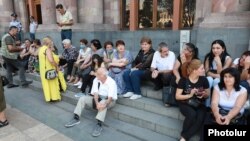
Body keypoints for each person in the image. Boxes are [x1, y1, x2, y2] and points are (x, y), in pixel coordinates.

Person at [64, 67, 117, 137]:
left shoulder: (111, 82)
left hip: (109, 100)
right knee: (82, 98)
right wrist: (97, 103)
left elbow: (110, 98)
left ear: (103, 75)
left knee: (103, 102)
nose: (96, 75)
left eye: (98, 74)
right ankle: (76, 118)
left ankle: (99, 124)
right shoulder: (96, 80)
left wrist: (103, 104)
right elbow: (95, 94)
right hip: (98, 98)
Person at [200, 68, 248, 141]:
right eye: (225, 76)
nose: (227, 79)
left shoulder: (243, 90)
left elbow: (237, 107)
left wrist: (228, 117)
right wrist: (217, 115)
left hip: (235, 116)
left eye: (230, 77)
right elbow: (214, 103)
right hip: (219, 113)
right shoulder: (217, 87)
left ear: (236, 78)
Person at [175, 59, 210, 141]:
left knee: (200, 117)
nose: (204, 70)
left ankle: (184, 137)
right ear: (194, 70)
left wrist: (203, 94)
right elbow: (177, 96)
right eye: (202, 68)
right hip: (185, 103)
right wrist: (190, 95)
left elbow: (208, 95)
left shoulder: (204, 80)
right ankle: (184, 137)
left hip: (199, 103)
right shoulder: (183, 80)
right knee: (192, 114)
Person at [38, 37, 66, 102]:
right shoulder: (47, 49)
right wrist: (57, 66)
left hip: (43, 69)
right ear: (49, 42)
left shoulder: (41, 49)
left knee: (46, 84)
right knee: (52, 83)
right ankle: (54, 97)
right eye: (51, 42)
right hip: (49, 69)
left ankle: (49, 97)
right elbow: (51, 60)